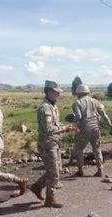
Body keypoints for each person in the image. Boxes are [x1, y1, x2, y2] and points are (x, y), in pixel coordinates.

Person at [29, 80, 78, 208]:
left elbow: (55, 125)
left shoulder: (53, 106)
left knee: (55, 170)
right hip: (47, 144)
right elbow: (49, 129)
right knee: (54, 172)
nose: (58, 95)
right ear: (49, 92)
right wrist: (65, 128)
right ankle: (49, 198)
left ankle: (37, 186)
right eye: (56, 92)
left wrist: (67, 126)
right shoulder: (45, 107)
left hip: (54, 142)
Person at [71, 84, 112, 177]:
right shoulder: (96, 102)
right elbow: (104, 115)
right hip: (95, 128)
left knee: (79, 149)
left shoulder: (77, 103)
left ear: (78, 93)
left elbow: (78, 117)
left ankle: (80, 170)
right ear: (87, 92)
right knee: (97, 149)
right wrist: (110, 125)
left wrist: (71, 120)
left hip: (84, 129)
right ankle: (100, 170)